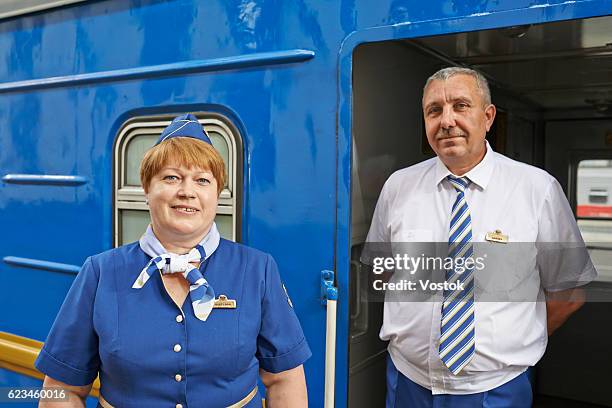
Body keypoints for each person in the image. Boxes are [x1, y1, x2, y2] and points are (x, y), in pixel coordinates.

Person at [35, 114, 311, 408]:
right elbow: (62, 390)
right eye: (171, 177)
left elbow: (284, 379)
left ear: (217, 194)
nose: (187, 192)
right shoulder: (100, 272)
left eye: (202, 180)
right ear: (146, 189)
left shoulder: (257, 270)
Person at [363, 67, 596, 407]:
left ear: (488, 117)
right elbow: (382, 272)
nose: (446, 121)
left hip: (497, 390)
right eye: (434, 110)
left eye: (460, 106)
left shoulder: (537, 189)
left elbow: (569, 293)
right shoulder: (398, 186)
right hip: (408, 383)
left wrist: (514, 341)